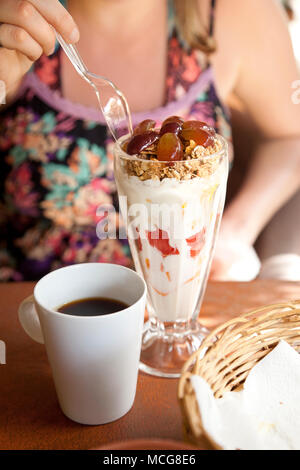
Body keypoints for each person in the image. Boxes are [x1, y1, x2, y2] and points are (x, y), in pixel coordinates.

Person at [0, 0, 299, 282]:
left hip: (178, 299)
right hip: (33, 310)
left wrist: (235, 230)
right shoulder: (16, 22)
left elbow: (292, 136)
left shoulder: (234, 12)